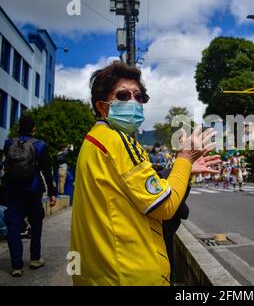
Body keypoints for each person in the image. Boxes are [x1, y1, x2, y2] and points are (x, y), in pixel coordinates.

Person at [70, 61, 219, 286]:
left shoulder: (94, 141)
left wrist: (185, 169)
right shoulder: (117, 142)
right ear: (102, 107)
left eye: (139, 97)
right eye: (122, 96)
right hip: (130, 275)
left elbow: (134, 193)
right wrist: (184, 159)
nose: (133, 102)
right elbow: (164, 207)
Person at [3, 115, 57, 277]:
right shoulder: (40, 145)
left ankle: (16, 265)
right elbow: (47, 171)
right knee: (36, 223)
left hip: (12, 190)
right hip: (32, 190)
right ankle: (35, 258)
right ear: (34, 128)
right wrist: (52, 193)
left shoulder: (9, 143)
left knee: (13, 225)